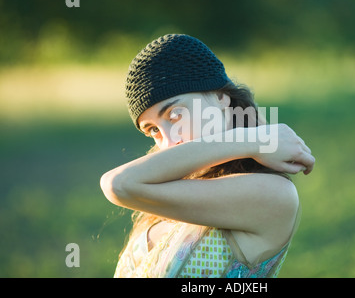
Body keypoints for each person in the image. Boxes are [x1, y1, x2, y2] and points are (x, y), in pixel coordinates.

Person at [100, 34, 315, 278]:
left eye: (175, 114)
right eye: (154, 130)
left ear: (221, 97)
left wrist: (252, 140)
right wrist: (254, 141)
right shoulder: (166, 190)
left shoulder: (273, 193)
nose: (169, 141)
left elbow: (118, 184)